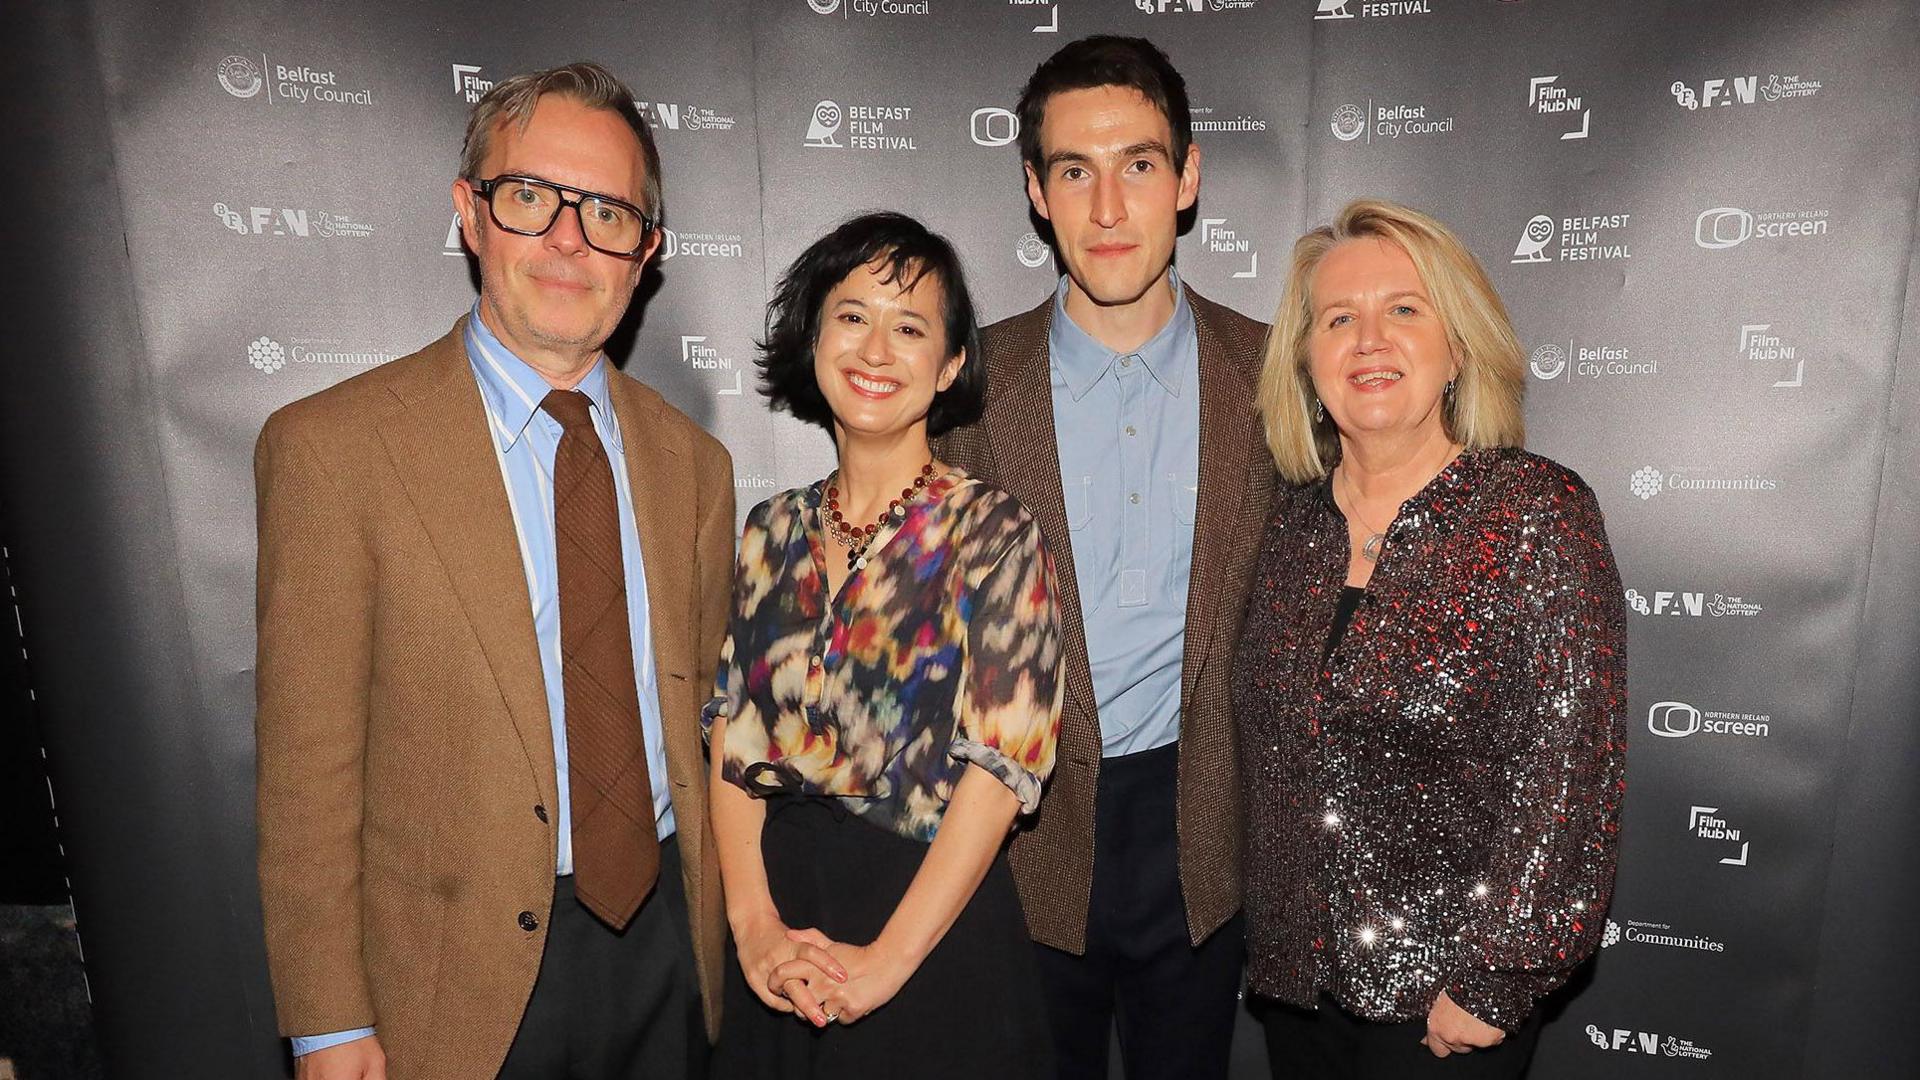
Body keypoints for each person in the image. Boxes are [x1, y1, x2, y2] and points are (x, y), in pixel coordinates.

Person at [254, 62, 733, 1080]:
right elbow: (307, 773)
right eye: (531, 198)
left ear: (645, 253)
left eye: (607, 211)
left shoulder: (696, 466)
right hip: (449, 990)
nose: (569, 237)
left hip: (668, 960)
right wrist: (330, 1025)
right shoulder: (333, 451)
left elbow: (708, 732)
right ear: (469, 214)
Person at [934, 35, 1274, 1079]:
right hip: (1019, 841)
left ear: (1190, 176)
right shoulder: (962, 394)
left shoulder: (1277, 377)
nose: (1110, 208)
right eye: (1075, 172)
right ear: (1036, 191)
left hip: (1209, 833)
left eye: (1138, 164)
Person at [1233, 198, 1628, 1078]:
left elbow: (1569, 771)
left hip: (1444, 1010)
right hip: (1299, 992)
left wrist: (1498, 979)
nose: (1369, 340)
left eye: (1404, 310)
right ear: (1307, 360)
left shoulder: (1536, 516)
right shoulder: (1292, 527)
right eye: (1339, 319)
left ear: (1457, 348)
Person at [704, 211, 1063, 1079]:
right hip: (782, 921)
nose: (875, 349)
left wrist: (888, 961)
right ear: (814, 337)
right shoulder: (770, 529)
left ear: (948, 366)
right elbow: (732, 737)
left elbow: (1000, 770)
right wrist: (754, 933)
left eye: (910, 328)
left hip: (934, 925)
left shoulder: (994, 531)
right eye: (853, 315)